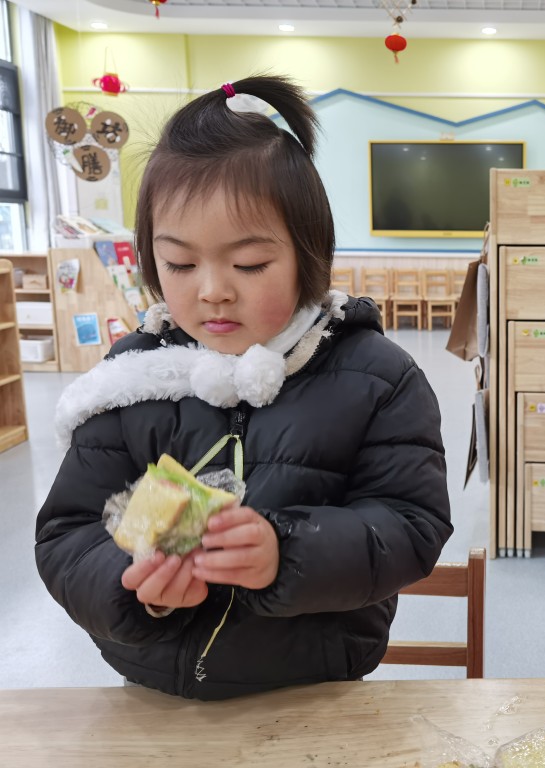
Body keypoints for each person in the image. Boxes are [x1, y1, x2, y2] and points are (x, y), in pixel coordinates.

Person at [35, 76, 452, 700]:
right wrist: (134, 584)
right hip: (157, 696)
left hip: (317, 689)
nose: (213, 291)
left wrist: (287, 553)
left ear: (308, 255)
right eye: (179, 264)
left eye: (250, 264)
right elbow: (67, 535)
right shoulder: (129, 380)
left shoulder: (378, 379)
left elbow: (410, 526)